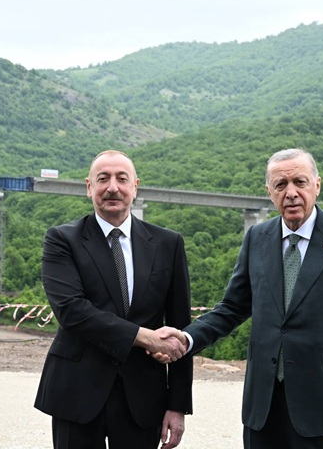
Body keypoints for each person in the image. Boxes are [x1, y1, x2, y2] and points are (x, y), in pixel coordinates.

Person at [159, 148, 323, 448]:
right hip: (264, 409)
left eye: (300, 182)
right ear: (269, 192)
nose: (291, 193)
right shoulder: (257, 237)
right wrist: (186, 339)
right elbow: (232, 307)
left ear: (317, 185)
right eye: (281, 185)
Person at [34, 150, 193, 449]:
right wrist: (145, 337)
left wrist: (178, 405)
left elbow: (179, 327)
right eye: (103, 179)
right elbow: (72, 311)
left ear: (135, 186)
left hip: (144, 397)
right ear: (89, 187)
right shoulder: (62, 239)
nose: (112, 188)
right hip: (77, 392)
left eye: (121, 179)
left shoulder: (168, 243)